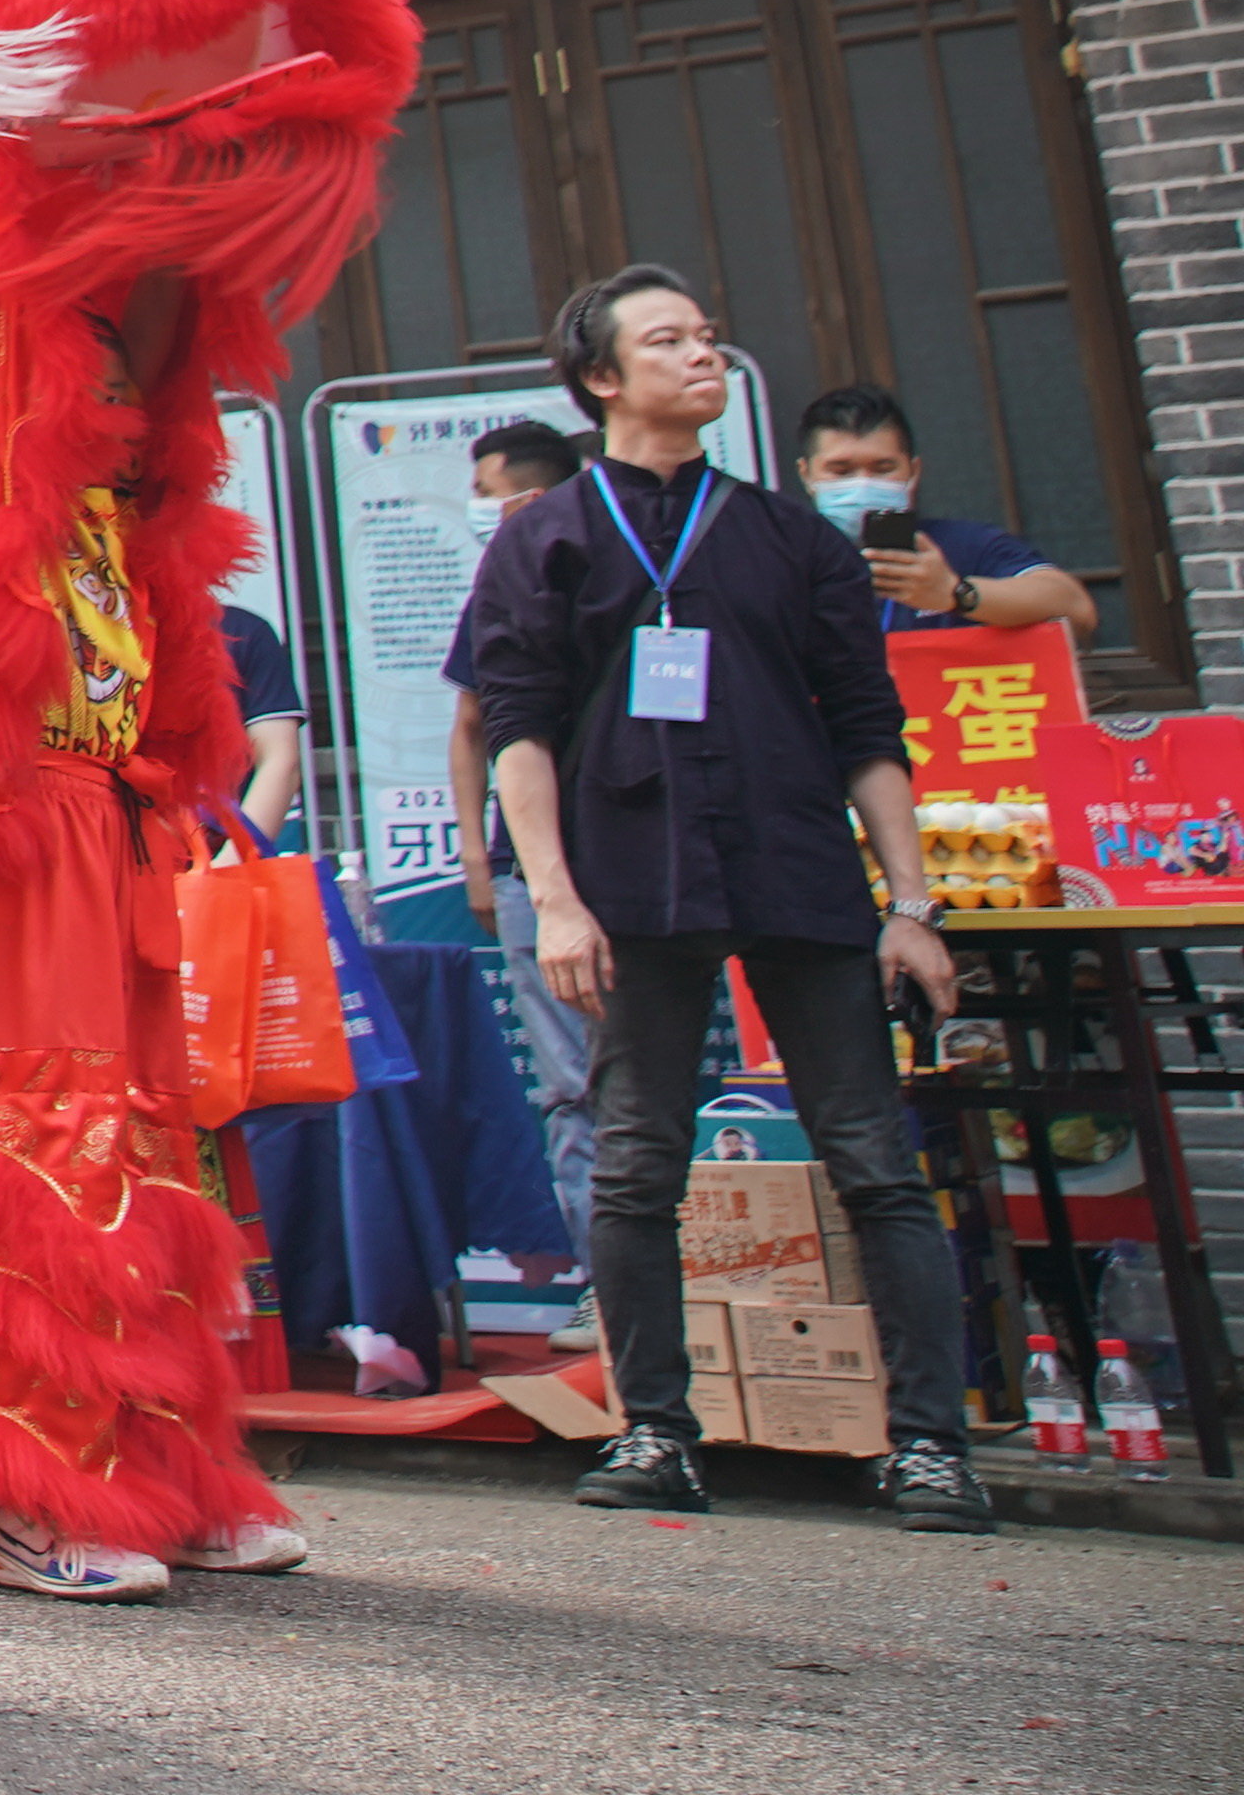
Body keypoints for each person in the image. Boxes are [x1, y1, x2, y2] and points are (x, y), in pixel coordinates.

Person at [467, 266, 990, 1528]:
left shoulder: (788, 536)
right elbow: (518, 730)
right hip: (630, 879)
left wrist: (912, 903)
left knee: (874, 1160)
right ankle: (655, 1429)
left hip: (795, 865)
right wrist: (554, 898)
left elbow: (867, 725)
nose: (703, 354)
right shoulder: (545, 537)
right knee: (638, 1160)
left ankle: (929, 1443)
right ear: (603, 377)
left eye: (707, 335)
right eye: (669, 340)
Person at [438, 420, 599, 1236]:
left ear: (533, 500)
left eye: (485, 492)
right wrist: (477, 857)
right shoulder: (493, 593)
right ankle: (604, 1281)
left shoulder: (621, 575)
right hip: (526, 873)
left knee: (646, 1077)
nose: (476, 508)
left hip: (634, 858)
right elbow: (471, 730)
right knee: (568, 1082)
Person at [791, 386, 1094, 644]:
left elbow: (1076, 608)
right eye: (841, 471)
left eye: (883, 469)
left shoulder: (963, 545)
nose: (863, 484)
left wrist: (955, 593)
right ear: (806, 474)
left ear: (913, 471)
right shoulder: (780, 556)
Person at [220, 599, 310, 844]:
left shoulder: (241, 630)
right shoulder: (120, 642)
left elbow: (279, 760)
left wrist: (235, 858)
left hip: (219, 846)